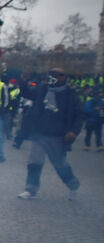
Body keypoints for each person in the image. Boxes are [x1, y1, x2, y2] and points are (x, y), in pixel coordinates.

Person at [17, 68, 82, 200]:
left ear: (64, 78)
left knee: (60, 164)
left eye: (57, 75)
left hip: (58, 136)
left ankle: (73, 185)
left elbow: (79, 115)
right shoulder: (42, 89)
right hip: (40, 133)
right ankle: (30, 189)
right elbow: (27, 93)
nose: (53, 77)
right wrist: (23, 81)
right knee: (35, 161)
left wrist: (74, 131)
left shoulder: (70, 95)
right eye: (51, 74)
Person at [83, 87, 103, 152]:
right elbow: (86, 110)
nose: (101, 94)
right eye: (100, 93)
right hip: (91, 120)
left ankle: (99, 145)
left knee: (98, 134)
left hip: (98, 121)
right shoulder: (90, 102)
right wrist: (94, 109)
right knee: (89, 134)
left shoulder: (101, 102)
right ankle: (87, 145)